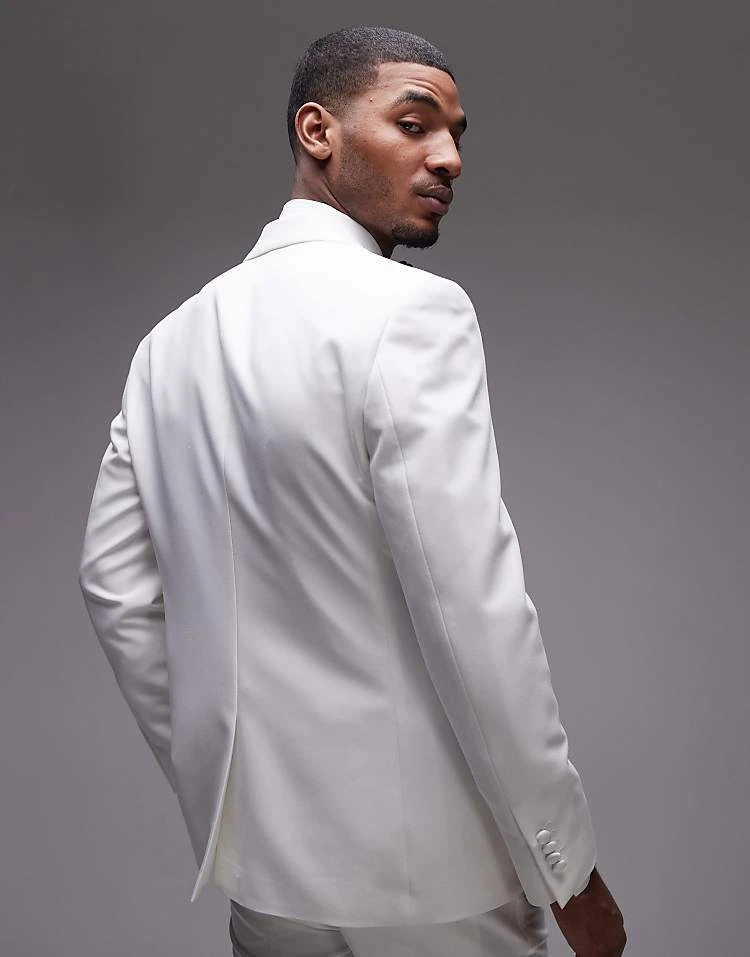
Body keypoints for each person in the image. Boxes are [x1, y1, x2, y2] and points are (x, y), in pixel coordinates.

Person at [78, 24, 626, 957]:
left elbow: (114, 588)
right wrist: (565, 865)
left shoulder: (167, 347)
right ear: (317, 130)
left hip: (264, 876)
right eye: (414, 123)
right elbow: (471, 609)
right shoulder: (414, 312)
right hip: (432, 883)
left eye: (455, 134)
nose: (448, 157)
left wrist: (235, 796)